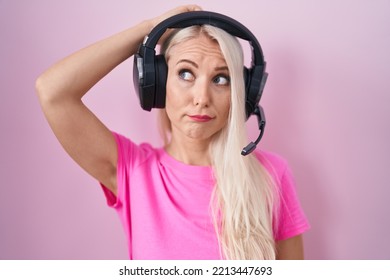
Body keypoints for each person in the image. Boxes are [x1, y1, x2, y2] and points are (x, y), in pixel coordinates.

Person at [35, 5, 310, 260]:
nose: (201, 98)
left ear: (242, 95)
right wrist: (148, 29)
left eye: (221, 79)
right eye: (186, 74)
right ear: (157, 84)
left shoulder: (271, 175)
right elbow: (52, 91)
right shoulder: (133, 171)